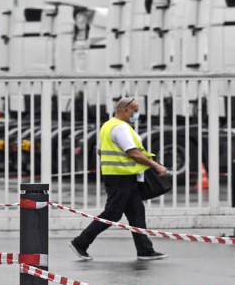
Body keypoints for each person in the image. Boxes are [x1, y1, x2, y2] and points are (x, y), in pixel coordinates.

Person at [69, 97, 169, 261]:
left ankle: (145, 250)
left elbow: (100, 151)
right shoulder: (121, 128)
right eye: (135, 111)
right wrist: (156, 166)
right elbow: (133, 152)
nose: (137, 114)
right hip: (121, 177)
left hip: (121, 176)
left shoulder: (108, 125)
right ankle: (80, 243)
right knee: (113, 213)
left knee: (136, 213)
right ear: (125, 110)